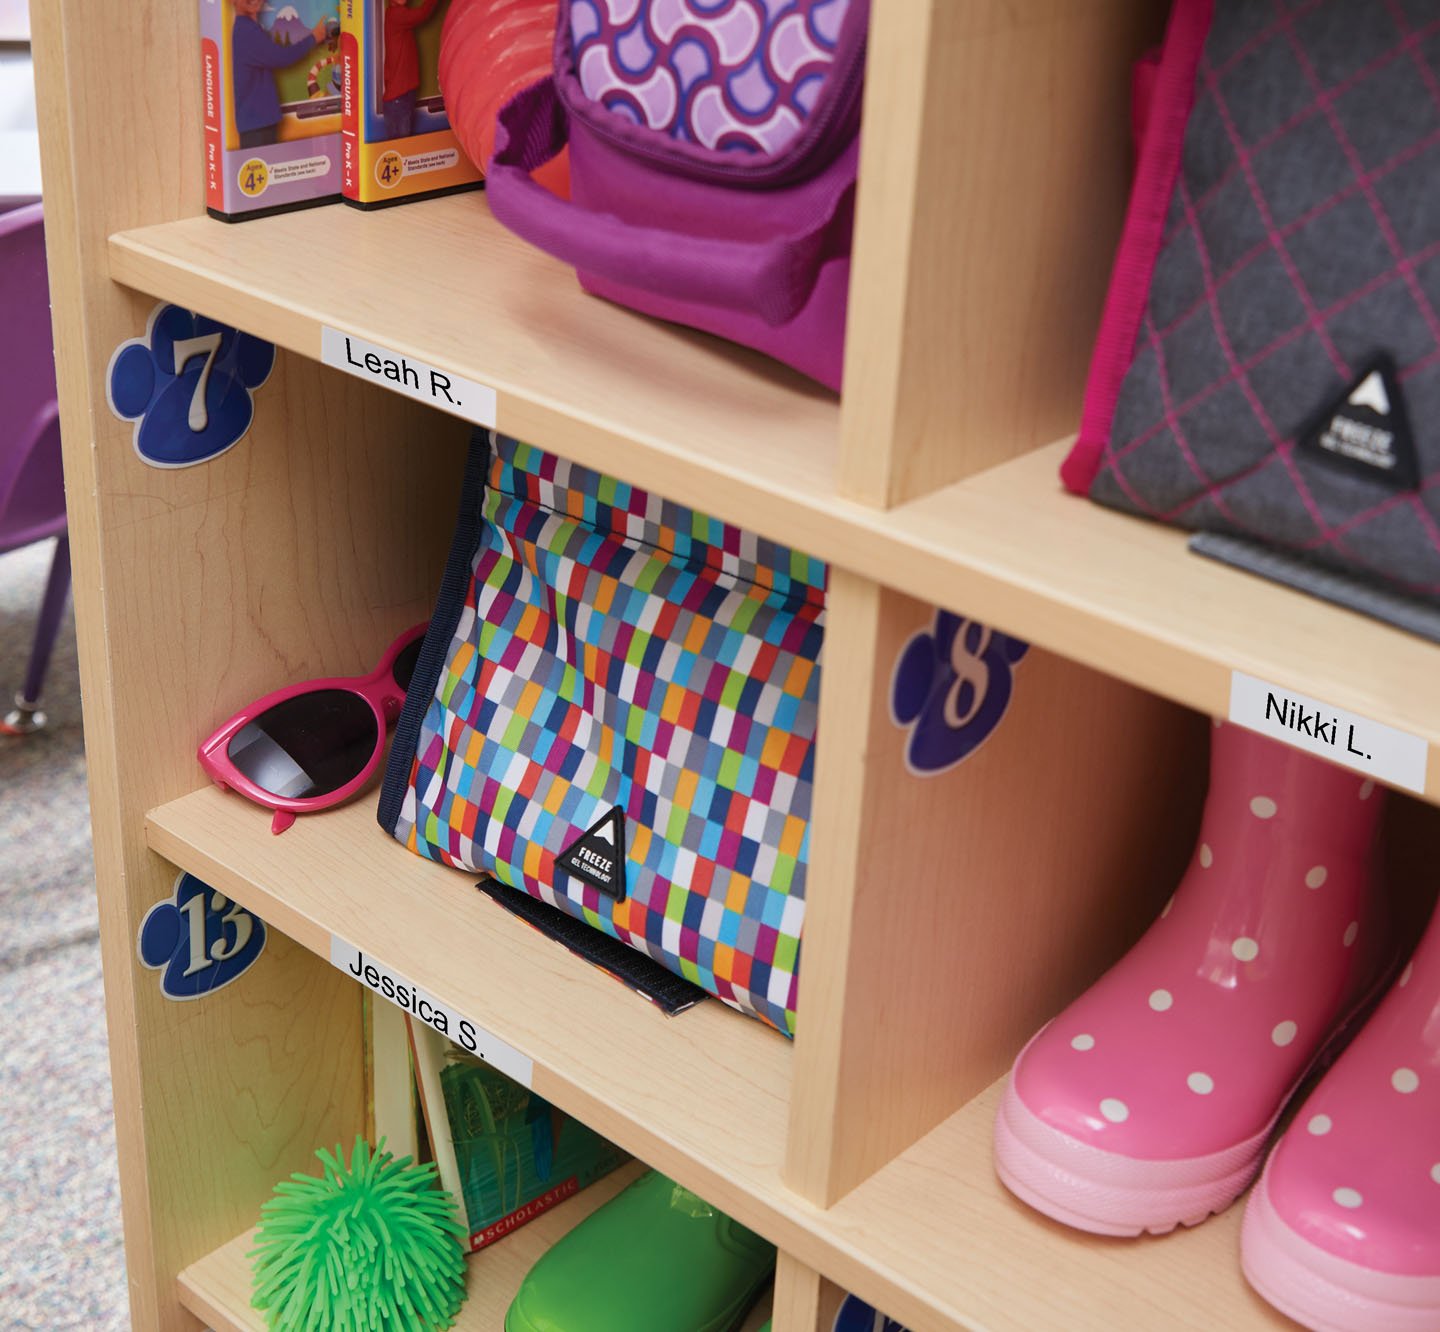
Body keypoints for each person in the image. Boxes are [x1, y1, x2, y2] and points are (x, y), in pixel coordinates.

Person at [232, 0, 331, 149]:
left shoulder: (249, 28)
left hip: (259, 123)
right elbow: (281, 57)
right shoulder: (246, 31)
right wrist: (314, 37)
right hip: (257, 126)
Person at [382, 0, 440, 140]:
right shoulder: (397, 14)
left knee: (402, 144)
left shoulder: (397, 14)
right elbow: (422, 14)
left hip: (401, 94)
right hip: (398, 96)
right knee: (401, 144)